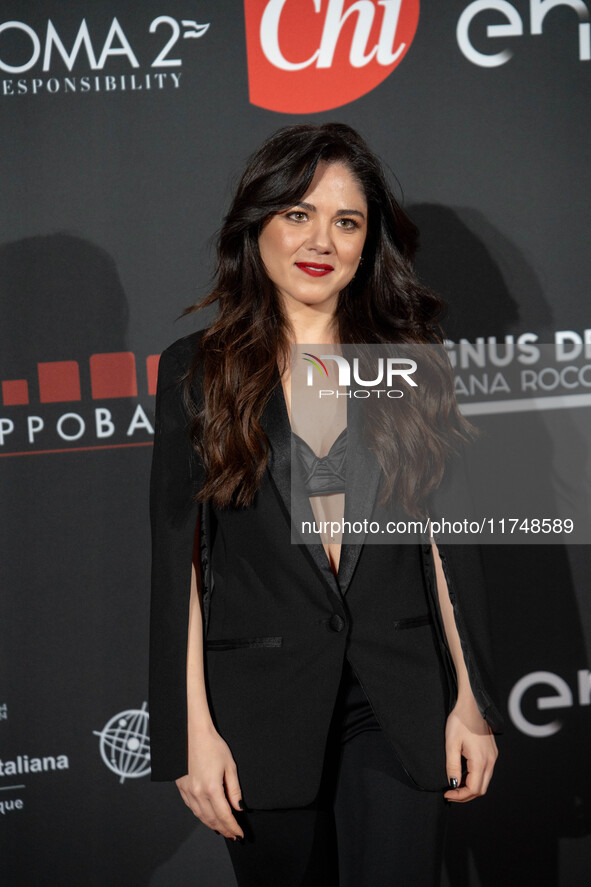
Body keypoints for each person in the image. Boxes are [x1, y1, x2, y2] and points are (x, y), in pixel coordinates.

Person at [148, 122, 504, 886]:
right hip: (259, 711)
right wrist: (190, 735)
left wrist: (472, 701)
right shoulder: (199, 371)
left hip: (398, 698)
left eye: (346, 221)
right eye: (298, 214)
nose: (321, 240)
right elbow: (180, 562)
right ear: (259, 223)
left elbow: (447, 547)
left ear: (368, 241)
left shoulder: (408, 361)